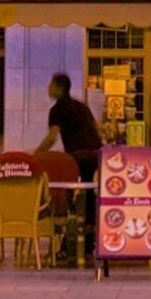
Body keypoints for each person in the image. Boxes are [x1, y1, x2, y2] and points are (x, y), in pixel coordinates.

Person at [39, 72, 103, 261]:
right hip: (97, 156)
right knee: (91, 197)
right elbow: (96, 130)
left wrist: (36, 155)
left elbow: (52, 137)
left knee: (73, 199)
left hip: (78, 158)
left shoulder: (58, 109)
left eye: (51, 84)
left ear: (59, 87)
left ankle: (71, 243)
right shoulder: (82, 107)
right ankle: (88, 241)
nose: (48, 88)